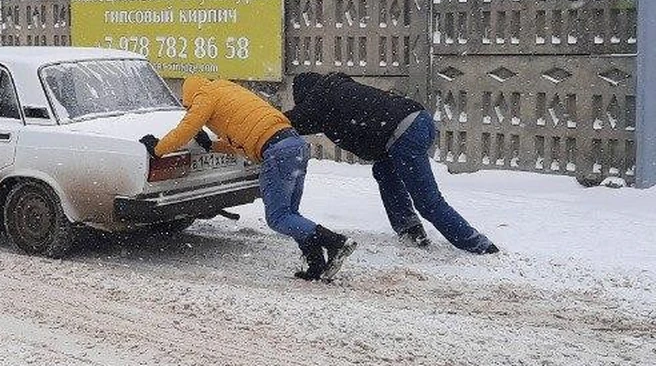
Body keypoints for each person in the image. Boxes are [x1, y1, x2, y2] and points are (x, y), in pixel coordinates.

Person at [140, 76, 357, 281]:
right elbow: (245, 141)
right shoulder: (227, 90)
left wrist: (158, 149)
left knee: (278, 218)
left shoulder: (204, 95)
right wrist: (211, 145)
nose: (189, 109)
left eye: (187, 106)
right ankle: (316, 264)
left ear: (190, 96)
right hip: (295, 146)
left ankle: (336, 242)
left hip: (277, 153)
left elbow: (185, 129)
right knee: (291, 215)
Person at [285, 72, 498, 255]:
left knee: (428, 201)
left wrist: (259, 119)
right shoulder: (337, 90)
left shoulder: (320, 100)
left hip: (403, 133)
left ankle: (478, 245)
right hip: (418, 118)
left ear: (306, 95)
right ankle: (410, 230)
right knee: (385, 171)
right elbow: (310, 121)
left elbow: (288, 121)